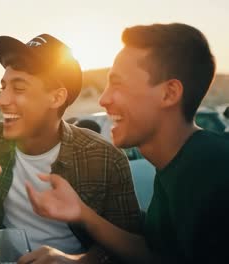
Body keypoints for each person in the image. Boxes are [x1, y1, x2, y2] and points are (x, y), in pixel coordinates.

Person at [24, 23, 229, 264]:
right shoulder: (180, 165)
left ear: (169, 93)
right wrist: (82, 220)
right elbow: (157, 255)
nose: (103, 99)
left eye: (117, 83)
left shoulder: (212, 171)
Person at [0, 34, 141, 263]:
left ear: (56, 97)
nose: (1, 100)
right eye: (3, 87)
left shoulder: (105, 157)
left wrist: (76, 261)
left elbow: (130, 245)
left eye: (19, 88)